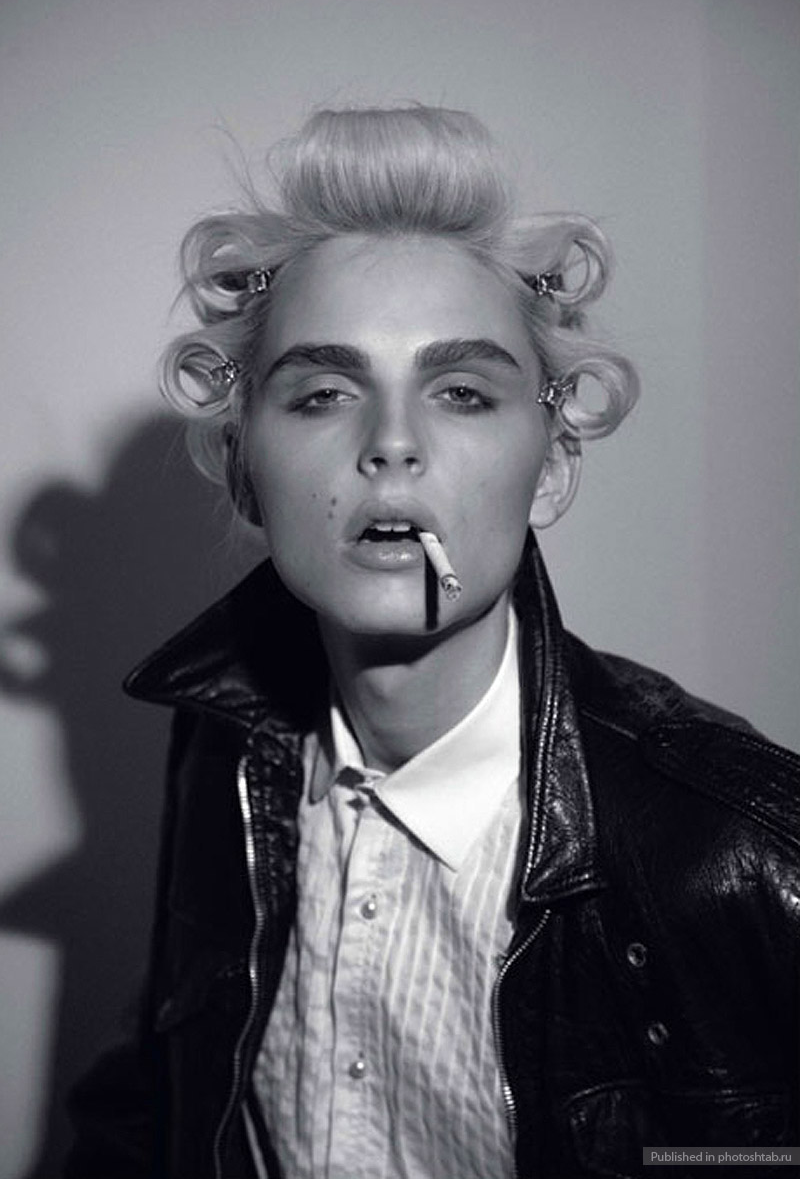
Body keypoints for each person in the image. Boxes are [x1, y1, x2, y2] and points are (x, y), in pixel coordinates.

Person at [65, 106, 799, 1179]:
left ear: (550, 470)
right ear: (243, 470)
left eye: (461, 393)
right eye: (323, 394)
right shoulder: (222, 749)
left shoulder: (738, 855)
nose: (393, 444)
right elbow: (155, 1102)